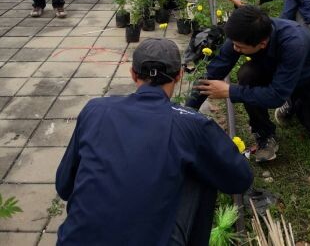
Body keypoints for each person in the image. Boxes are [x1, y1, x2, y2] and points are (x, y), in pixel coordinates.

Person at [56, 38, 253, 246]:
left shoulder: (95, 109)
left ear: (133, 73)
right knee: (201, 165)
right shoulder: (192, 125)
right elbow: (239, 179)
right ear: (179, 76)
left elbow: (64, 186)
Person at [186, 6, 310, 162]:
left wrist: (230, 91)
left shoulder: (294, 42)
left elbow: (276, 96)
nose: (234, 49)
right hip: (275, 74)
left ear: (262, 44)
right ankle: (264, 134)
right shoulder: (244, 33)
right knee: (247, 75)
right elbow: (213, 72)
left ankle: (297, 103)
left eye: (240, 47)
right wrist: (185, 112)